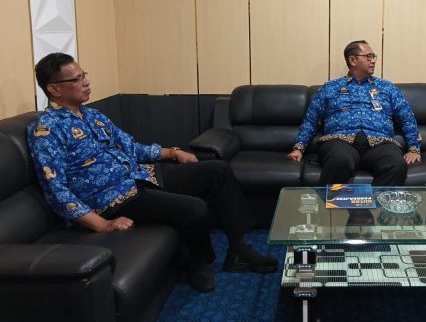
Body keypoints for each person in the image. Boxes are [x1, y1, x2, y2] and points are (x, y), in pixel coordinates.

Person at [27, 53, 278, 293]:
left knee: (218, 170)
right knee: (195, 209)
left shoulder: (93, 115)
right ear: (54, 89)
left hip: (142, 176)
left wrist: (173, 153)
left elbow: (132, 147)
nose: (86, 82)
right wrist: (101, 223)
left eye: (84, 75)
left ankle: (239, 249)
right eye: (77, 79)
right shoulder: (46, 130)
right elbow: (56, 189)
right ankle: (196, 263)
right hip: (111, 199)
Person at [287, 40, 421, 186]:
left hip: (380, 144)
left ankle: (376, 202)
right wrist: (299, 148)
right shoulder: (330, 88)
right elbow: (311, 121)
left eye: (373, 56)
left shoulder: (387, 88)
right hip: (339, 142)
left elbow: (407, 118)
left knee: (396, 164)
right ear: (353, 60)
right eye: (368, 56)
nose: (373, 61)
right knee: (339, 160)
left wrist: (414, 149)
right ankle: (334, 202)